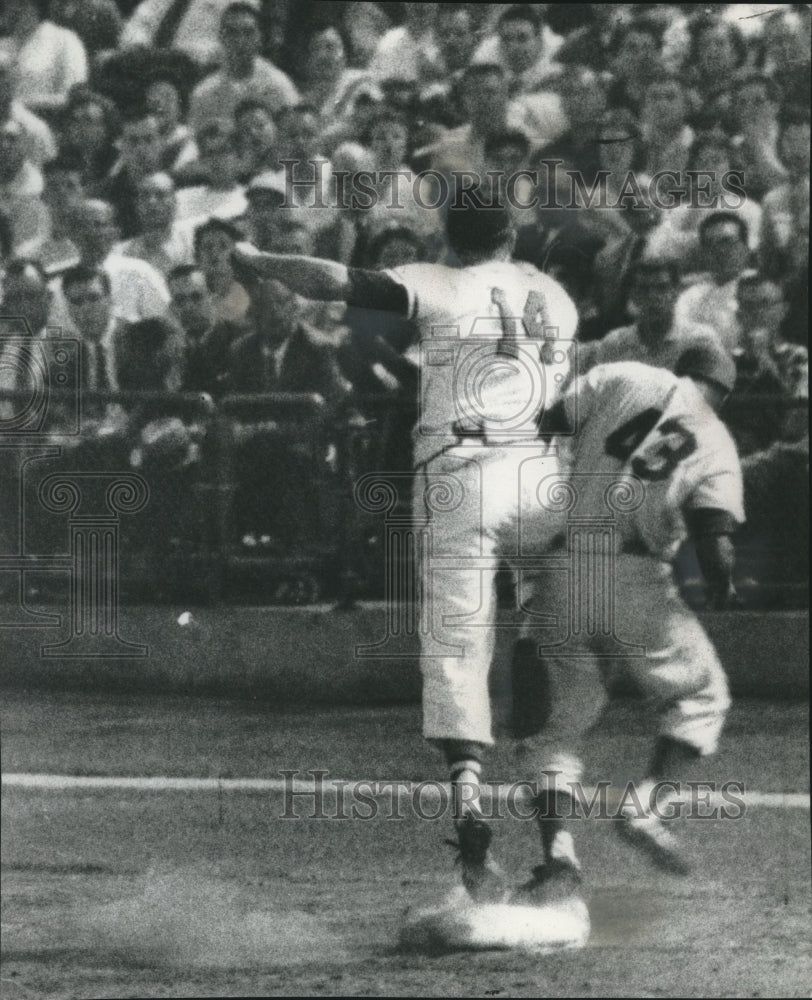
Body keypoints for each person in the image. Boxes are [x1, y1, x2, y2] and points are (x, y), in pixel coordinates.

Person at [232, 189, 578, 903]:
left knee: (457, 647)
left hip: (462, 469)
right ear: (512, 233)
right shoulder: (554, 293)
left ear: (449, 237)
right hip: (543, 475)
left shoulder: (440, 278)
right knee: (546, 651)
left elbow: (334, 281)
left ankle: (473, 823)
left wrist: (257, 258)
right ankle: (560, 848)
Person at [517, 341, 743, 895]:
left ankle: (558, 853)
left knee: (560, 719)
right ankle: (645, 808)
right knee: (701, 695)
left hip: (564, 563)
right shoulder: (715, 435)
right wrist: (723, 588)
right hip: (633, 574)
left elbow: (543, 422)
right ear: (724, 394)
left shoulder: (623, 375)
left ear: (678, 369)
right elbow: (714, 534)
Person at [187, 1, 298, 135]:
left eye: (248, 33)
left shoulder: (279, 87)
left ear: (260, 38)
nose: (240, 41)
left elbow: (293, 139)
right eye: (232, 33)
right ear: (221, 37)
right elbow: (195, 143)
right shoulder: (205, 93)